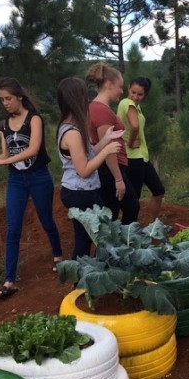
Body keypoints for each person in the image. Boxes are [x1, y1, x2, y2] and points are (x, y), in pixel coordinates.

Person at [0, 77, 62, 299]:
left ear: (19, 97)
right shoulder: (3, 124)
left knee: (46, 219)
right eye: (2, 100)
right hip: (16, 179)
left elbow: (33, 150)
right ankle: (9, 280)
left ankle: (58, 256)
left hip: (39, 177)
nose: (5, 103)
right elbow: (6, 153)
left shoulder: (34, 119)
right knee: (13, 227)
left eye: (9, 98)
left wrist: (4, 161)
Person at [56, 76, 123, 257]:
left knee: (84, 238)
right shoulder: (72, 133)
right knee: (92, 238)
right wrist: (107, 150)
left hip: (76, 191)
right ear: (78, 99)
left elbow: (87, 154)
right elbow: (84, 170)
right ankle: (86, 271)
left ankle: (83, 271)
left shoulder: (69, 127)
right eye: (84, 96)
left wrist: (106, 139)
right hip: (81, 193)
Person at [87, 62, 140, 224]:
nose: (122, 91)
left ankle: (118, 239)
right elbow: (108, 147)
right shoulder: (101, 110)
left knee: (116, 209)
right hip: (109, 169)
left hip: (110, 168)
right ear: (109, 85)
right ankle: (119, 239)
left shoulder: (98, 108)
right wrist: (118, 178)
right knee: (126, 208)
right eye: (120, 87)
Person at [117, 76, 165, 222]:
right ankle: (128, 229)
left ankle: (152, 224)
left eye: (140, 94)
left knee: (158, 190)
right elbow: (135, 126)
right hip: (132, 158)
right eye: (133, 92)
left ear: (145, 95)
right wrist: (131, 142)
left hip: (141, 157)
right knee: (133, 201)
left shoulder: (135, 106)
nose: (135, 96)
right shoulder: (127, 103)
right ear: (128, 88)